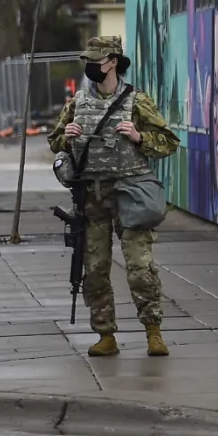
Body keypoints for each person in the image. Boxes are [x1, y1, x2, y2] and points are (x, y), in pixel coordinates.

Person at [48, 36, 181, 357]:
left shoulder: (136, 101)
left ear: (114, 62)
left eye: (97, 60)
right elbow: (55, 142)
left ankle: (153, 330)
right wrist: (66, 138)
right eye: (89, 61)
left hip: (130, 193)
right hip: (92, 197)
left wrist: (139, 137)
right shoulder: (77, 102)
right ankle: (105, 333)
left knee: (140, 267)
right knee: (94, 268)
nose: (92, 66)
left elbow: (168, 142)